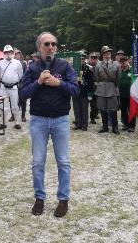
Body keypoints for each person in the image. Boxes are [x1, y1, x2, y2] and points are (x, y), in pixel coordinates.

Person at [20, 32, 79, 218]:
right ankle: (39, 198)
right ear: (39, 47)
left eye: (54, 44)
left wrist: (58, 83)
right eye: (47, 44)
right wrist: (38, 82)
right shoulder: (32, 68)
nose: (51, 47)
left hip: (60, 119)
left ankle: (63, 199)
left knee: (63, 161)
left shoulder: (65, 66)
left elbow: (76, 91)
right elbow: (23, 94)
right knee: (38, 162)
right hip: (38, 120)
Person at [94, 46, 121, 134]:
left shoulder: (116, 64)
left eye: (109, 52)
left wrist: (114, 86)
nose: (107, 53)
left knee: (113, 109)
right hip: (101, 89)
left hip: (112, 89)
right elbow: (97, 78)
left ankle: (115, 127)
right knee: (102, 109)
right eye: (105, 52)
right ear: (102, 54)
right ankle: (105, 126)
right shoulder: (98, 64)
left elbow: (118, 78)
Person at [0, 45, 23, 130]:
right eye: (6, 52)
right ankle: (3, 122)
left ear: (12, 53)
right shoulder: (0, 63)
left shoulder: (17, 63)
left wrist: (13, 81)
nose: (8, 54)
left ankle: (17, 122)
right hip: (3, 87)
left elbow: (20, 75)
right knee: (3, 106)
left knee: (15, 105)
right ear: (4, 53)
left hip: (14, 87)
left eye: (10, 52)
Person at [73, 56, 94, 131]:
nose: (81, 60)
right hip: (75, 91)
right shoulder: (73, 68)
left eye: (82, 59)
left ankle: (85, 124)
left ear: (85, 59)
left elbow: (91, 82)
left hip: (84, 91)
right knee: (76, 109)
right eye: (79, 59)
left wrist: (90, 93)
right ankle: (78, 124)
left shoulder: (88, 68)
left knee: (84, 109)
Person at [119, 55, 135, 132]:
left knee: (131, 110)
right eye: (122, 62)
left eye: (125, 61)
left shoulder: (132, 70)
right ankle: (126, 124)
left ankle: (132, 125)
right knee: (123, 111)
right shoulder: (119, 70)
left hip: (130, 95)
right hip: (121, 94)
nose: (123, 63)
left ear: (128, 61)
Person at [15, 50, 28, 122]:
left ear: (20, 55)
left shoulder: (23, 63)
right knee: (14, 101)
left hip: (22, 84)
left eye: (18, 54)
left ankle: (23, 115)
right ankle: (13, 116)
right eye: (16, 54)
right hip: (13, 85)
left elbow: (26, 74)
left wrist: (23, 82)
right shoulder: (11, 63)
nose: (17, 55)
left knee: (23, 100)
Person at [88, 52, 99, 124]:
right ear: (89, 59)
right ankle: (89, 117)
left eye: (95, 58)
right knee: (88, 103)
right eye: (92, 58)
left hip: (97, 88)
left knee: (95, 104)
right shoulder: (86, 66)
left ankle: (93, 116)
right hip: (89, 88)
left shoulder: (99, 66)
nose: (93, 59)